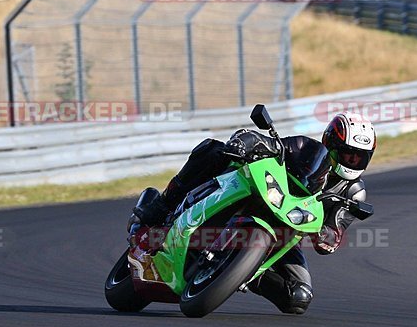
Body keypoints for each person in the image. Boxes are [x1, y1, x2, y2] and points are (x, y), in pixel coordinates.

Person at [131, 112, 376, 315]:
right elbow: (269, 143)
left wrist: (326, 237)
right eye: (346, 154)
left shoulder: (354, 193)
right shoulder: (305, 149)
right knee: (214, 151)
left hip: (287, 230)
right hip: (262, 194)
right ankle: (162, 205)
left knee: (298, 296)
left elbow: (335, 231)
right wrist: (245, 143)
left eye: (358, 157)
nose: (351, 160)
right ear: (330, 144)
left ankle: (240, 271)